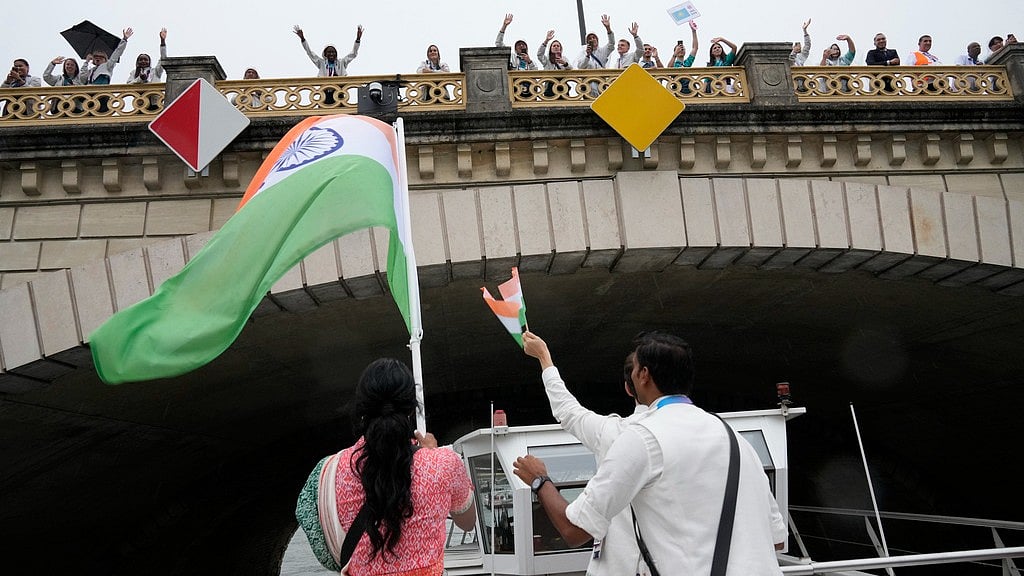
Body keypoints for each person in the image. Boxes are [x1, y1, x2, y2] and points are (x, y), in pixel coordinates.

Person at [513, 332, 787, 576]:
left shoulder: (640, 438)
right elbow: (776, 539)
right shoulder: (737, 441)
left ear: (643, 375)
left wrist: (540, 481)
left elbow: (574, 531)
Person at [295, 358, 476, 575]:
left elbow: (318, 539)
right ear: (411, 409)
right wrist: (432, 454)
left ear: (362, 410)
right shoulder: (443, 463)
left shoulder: (329, 471)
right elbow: (467, 521)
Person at [523, 331, 652, 575]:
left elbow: (568, 411)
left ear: (628, 387)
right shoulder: (713, 434)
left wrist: (544, 358)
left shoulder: (616, 433)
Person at [294, 24, 363, 77]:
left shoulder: (341, 62)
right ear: (325, 54)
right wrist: (302, 38)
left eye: (333, 52)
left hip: (339, 89)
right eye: (329, 52)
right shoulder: (321, 63)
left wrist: (358, 39)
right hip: (325, 89)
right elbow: (309, 52)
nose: (331, 54)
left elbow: (353, 54)